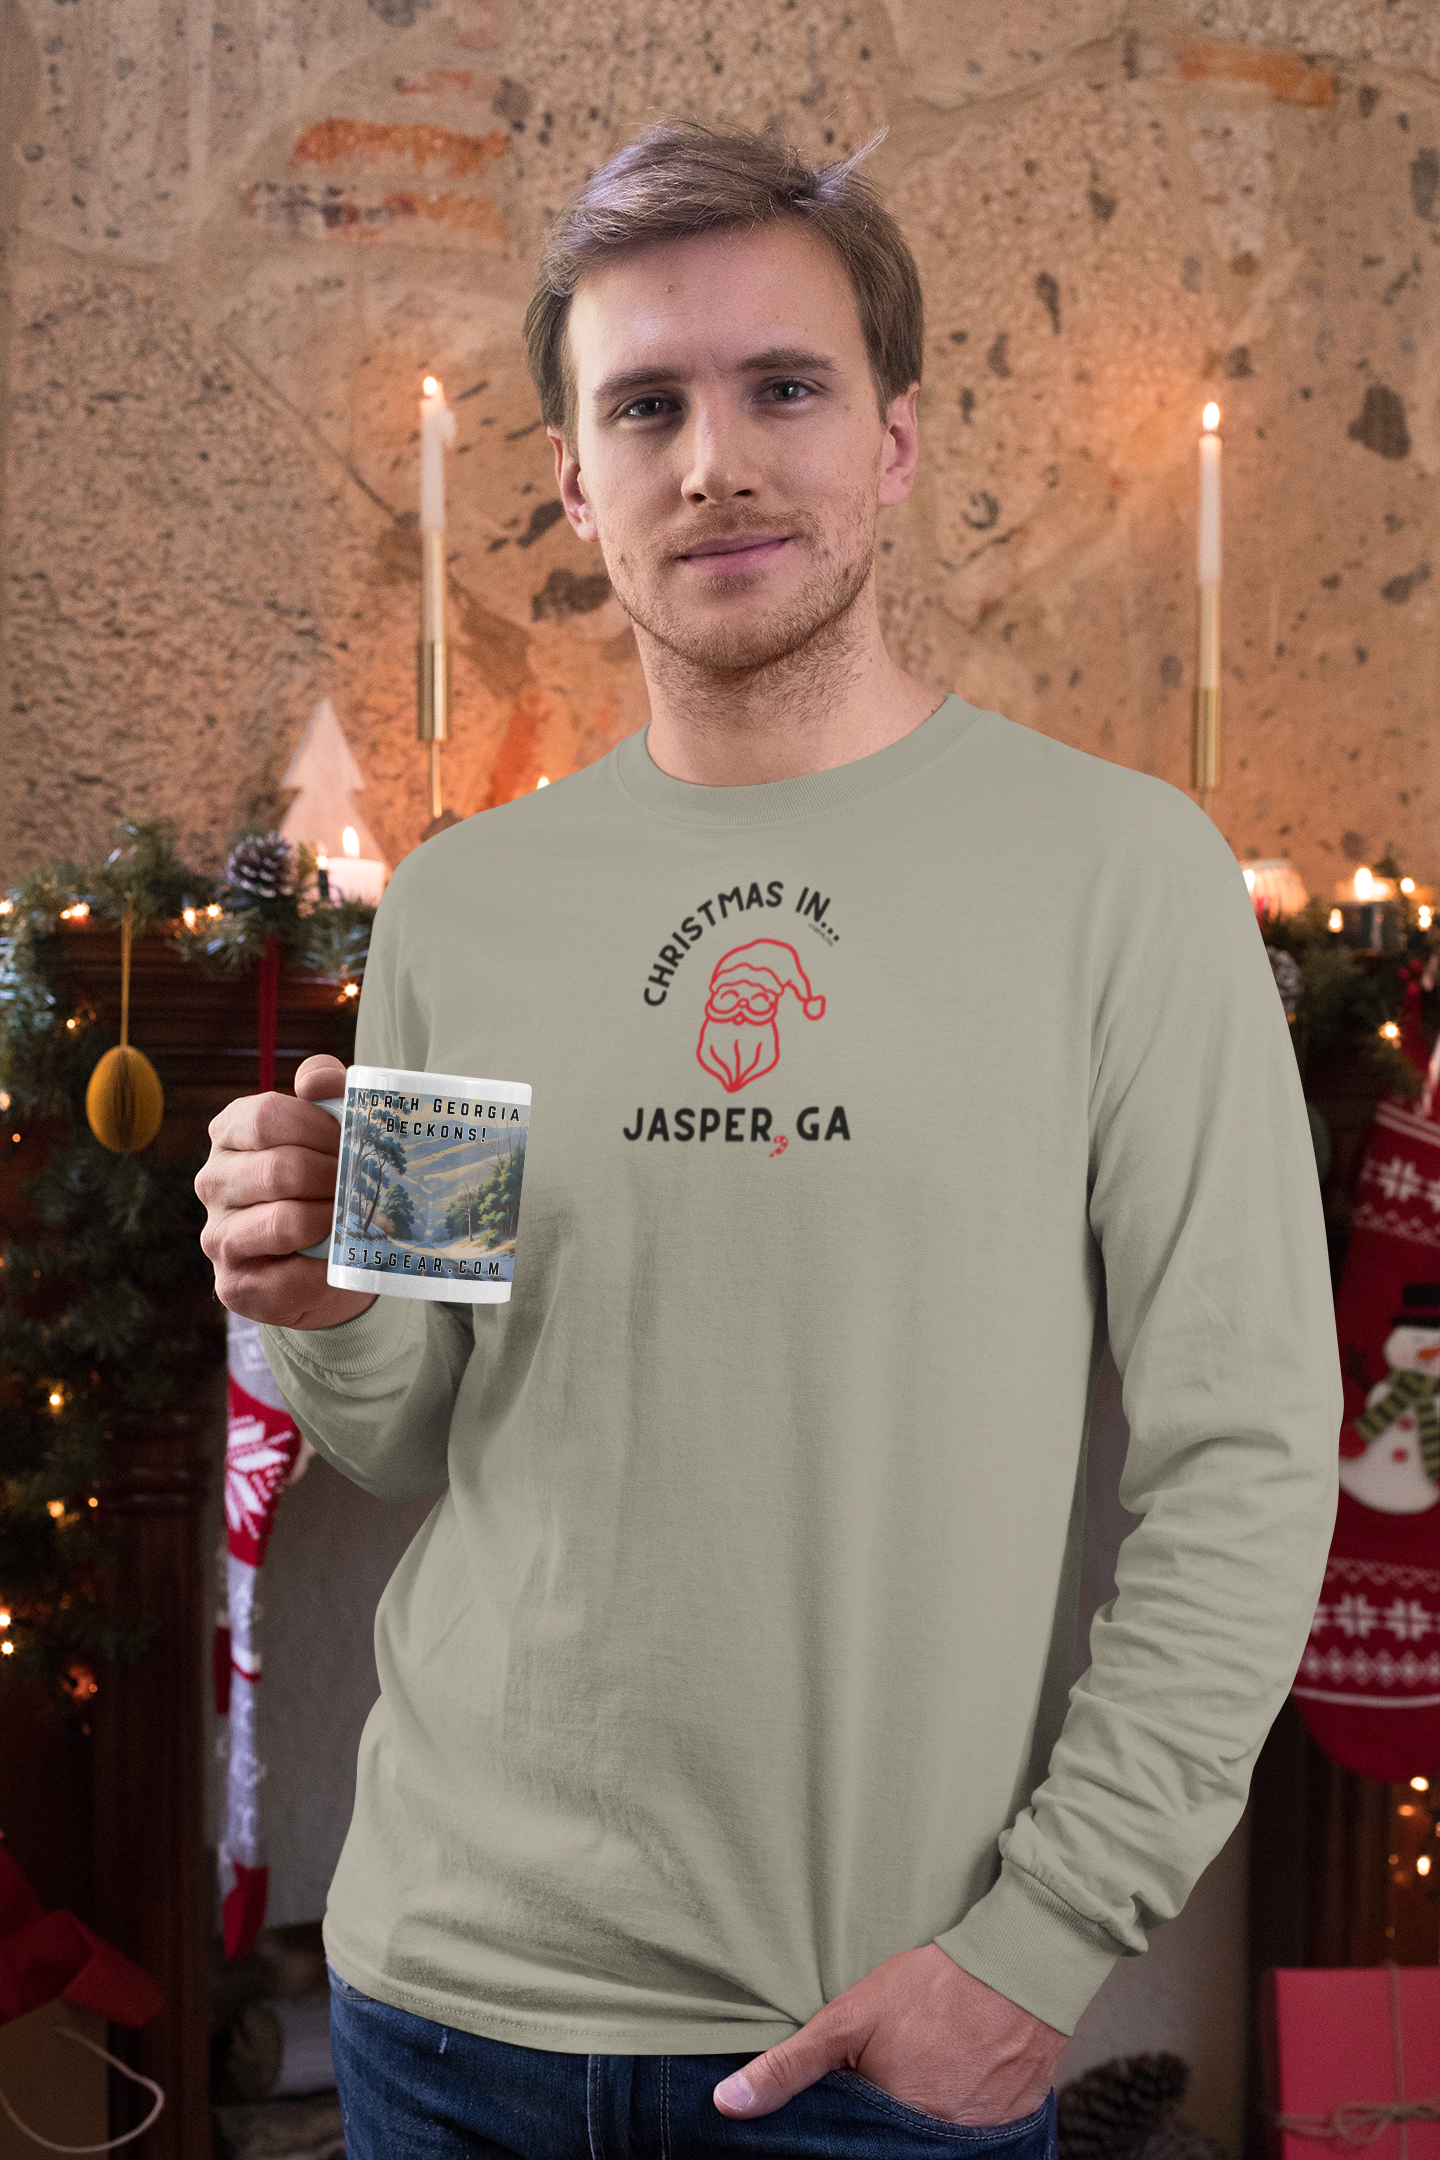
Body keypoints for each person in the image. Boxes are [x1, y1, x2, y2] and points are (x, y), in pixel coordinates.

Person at [196, 122, 1340, 2159]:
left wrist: (1040, 1949)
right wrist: (323, 1301)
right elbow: (412, 1423)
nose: (713, 457)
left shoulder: (1120, 880)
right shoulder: (469, 900)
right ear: (574, 479)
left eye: (782, 388)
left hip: (867, 2054)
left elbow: (1247, 1465)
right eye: (646, 404)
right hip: (439, 2010)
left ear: (892, 442)